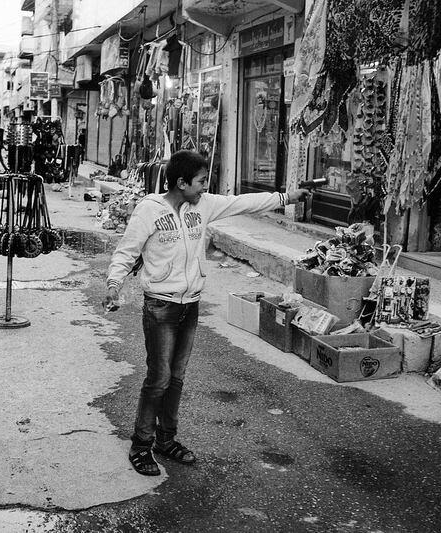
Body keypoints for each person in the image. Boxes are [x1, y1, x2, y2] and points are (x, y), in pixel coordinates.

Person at [102, 150, 310, 476]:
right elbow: (126, 252)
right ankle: (141, 445)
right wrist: (114, 284)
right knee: (159, 378)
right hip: (161, 306)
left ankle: (166, 440)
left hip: (191, 306)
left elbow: (242, 202)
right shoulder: (149, 211)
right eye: (200, 182)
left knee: (177, 378)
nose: (204, 188)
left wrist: (286, 196)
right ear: (181, 182)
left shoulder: (203, 206)